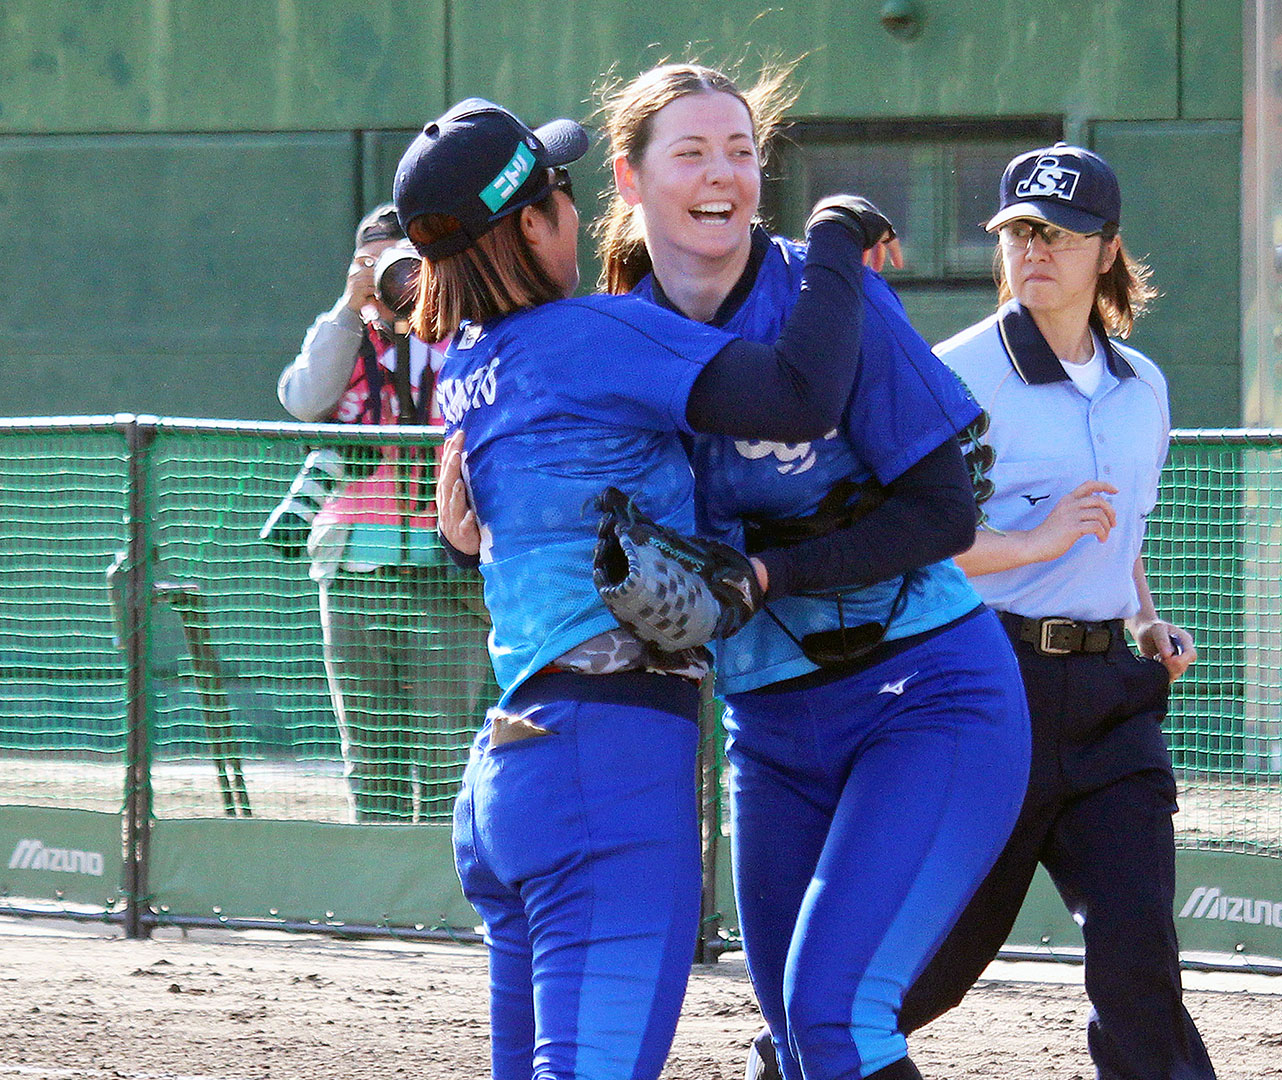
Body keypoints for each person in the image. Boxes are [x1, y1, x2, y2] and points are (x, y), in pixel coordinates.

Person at [394, 95, 898, 1080]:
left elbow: (489, 537)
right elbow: (801, 398)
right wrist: (837, 243)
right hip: (605, 763)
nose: (576, 211)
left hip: (509, 777)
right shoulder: (595, 335)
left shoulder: (467, 363)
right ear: (528, 226)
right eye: (559, 193)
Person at [599, 64, 1032, 1080]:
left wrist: (768, 573)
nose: (723, 173)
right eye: (691, 152)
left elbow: (944, 513)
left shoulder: (824, 294)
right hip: (769, 726)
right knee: (796, 1041)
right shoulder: (616, 337)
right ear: (629, 178)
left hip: (929, 694)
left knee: (836, 1019)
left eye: (741, 151)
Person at [888, 143, 1214, 1079]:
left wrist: (1145, 621)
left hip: (1114, 697)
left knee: (1140, 962)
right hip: (989, 689)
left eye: (1061, 234)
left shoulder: (1143, 386)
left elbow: (1124, 527)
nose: (1035, 249)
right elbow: (908, 538)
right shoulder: (954, 375)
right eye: (1021, 231)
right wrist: (1036, 541)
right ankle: (796, 1053)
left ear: (1107, 252)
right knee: (935, 965)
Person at [276, 203, 493, 823]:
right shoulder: (346, 335)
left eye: (405, 264)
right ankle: (378, 870)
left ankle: (445, 877)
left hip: (443, 569)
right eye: (373, 264)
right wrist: (349, 309)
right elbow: (304, 398)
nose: (390, 278)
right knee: (370, 751)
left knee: (447, 747)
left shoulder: (468, 332)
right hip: (353, 568)